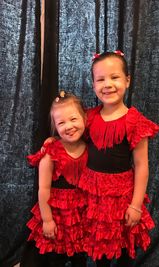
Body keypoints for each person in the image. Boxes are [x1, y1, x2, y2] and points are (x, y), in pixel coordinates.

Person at [77, 51, 159, 267]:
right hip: (93, 193)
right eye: (101, 79)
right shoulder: (89, 116)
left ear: (127, 80)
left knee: (123, 244)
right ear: (93, 84)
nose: (108, 85)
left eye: (114, 77)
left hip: (121, 195)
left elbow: (142, 166)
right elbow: (73, 141)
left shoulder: (134, 121)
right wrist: (52, 140)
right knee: (99, 244)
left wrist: (136, 205)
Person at [20, 91, 88, 267]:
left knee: (80, 256)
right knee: (55, 258)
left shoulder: (90, 148)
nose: (69, 126)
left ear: (84, 119)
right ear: (55, 127)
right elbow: (43, 189)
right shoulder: (50, 153)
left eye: (73, 119)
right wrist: (47, 220)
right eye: (61, 122)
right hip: (56, 216)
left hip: (80, 216)